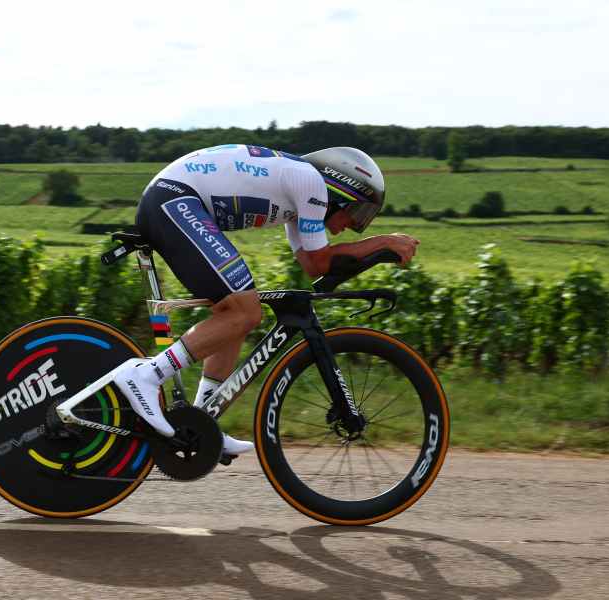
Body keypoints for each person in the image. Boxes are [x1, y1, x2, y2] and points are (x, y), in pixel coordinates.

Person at [113, 144, 419, 457]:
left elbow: (315, 268)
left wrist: (377, 254)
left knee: (233, 315)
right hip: (175, 200)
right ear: (339, 190)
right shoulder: (310, 183)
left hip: (175, 201)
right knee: (245, 312)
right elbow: (322, 260)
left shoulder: (297, 198)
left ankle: (201, 419)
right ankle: (145, 376)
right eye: (355, 212)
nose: (351, 225)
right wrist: (383, 242)